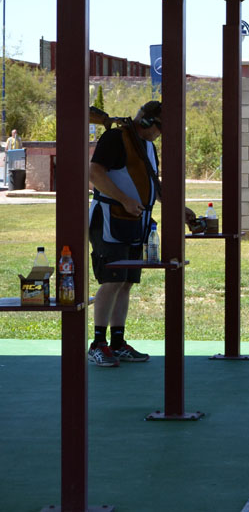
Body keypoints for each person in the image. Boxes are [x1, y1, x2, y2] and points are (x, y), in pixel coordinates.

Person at [88, 101, 195, 367]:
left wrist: (178, 209)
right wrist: (124, 200)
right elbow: (94, 173)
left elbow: (153, 186)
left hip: (136, 223)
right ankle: (98, 343)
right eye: (160, 127)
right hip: (110, 219)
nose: (161, 133)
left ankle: (117, 342)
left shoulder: (148, 147)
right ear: (146, 121)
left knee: (126, 282)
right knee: (111, 281)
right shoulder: (114, 138)